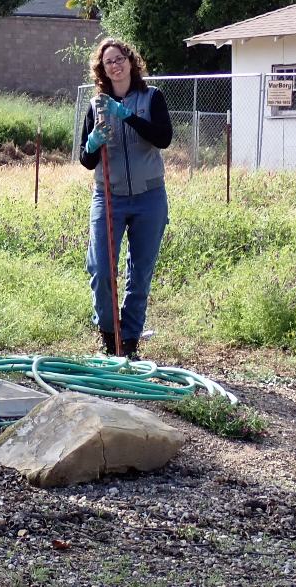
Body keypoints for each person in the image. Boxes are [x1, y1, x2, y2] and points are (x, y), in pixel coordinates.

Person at [79, 38, 173, 358]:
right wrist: (93, 143)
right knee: (102, 269)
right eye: (109, 62)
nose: (115, 65)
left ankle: (129, 340)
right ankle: (109, 334)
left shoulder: (152, 98)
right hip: (109, 196)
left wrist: (126, 115)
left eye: (120, 59)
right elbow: (85, 158)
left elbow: (163, 138)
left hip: (149, 197)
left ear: (131, 62)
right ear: (102, 70)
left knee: (140, 272)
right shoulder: (96, 106)